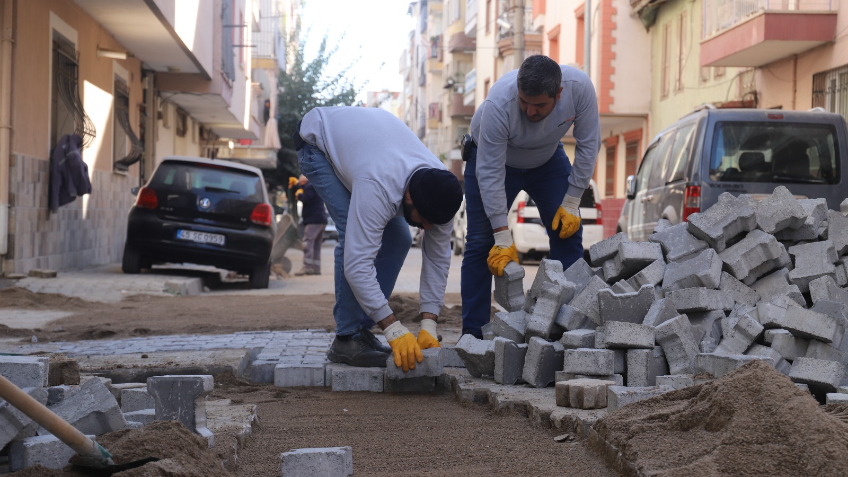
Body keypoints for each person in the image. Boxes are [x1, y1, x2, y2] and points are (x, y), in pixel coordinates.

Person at [294, 106, 463, 372]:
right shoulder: (379, 186)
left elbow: (438, 260)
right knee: (352, 232)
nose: (428, 227)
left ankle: (362, 331)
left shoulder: (440, 191)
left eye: (435, 223)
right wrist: (393, 327)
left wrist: (429, 323)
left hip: (369, 150)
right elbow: (357, 264)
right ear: (408, 197)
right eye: (424, 219)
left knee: (399, 240)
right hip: (318, 143)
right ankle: (348, 338)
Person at [461, 55, 601, 339]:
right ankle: (472, 334)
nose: (530, 111)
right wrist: (502, 235)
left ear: (559, 94)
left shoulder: (579, 88)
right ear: (518, 89)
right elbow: (488, 172)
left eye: (540, 105)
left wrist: (572, 201)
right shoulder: (498, 103)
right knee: (481, 242)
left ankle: (565, 328)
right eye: (525, 102)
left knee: (567, 233)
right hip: (492, 159)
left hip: (546, 159)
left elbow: (589, 145)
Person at [294, 175, 328, 276]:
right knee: (316, 245)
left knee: (308, 244)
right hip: (321, 220)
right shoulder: (315, 185)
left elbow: (306, 199)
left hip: (313, 220)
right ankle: (316, 268)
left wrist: (299, 195)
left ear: (302, 182)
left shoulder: (309, 186)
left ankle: (307, 267)